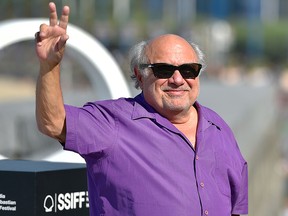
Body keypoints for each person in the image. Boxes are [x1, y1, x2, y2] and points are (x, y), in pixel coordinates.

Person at [35, 2, 248, 216]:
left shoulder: (218, 128)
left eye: (188, 70)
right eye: (164, 70)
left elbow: (236, 207)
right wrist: (49, 66)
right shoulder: (113, 122)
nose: (177, 79)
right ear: (139, 75)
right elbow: (52, 123)